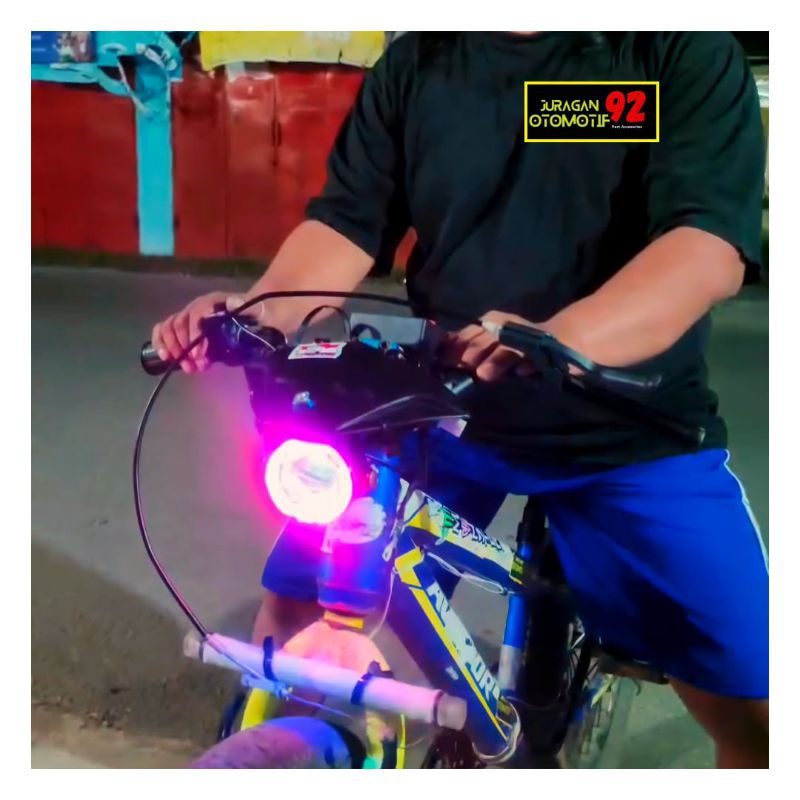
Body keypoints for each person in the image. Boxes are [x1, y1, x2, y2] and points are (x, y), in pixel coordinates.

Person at [152, 32, 767, 767]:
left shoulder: (676, 49)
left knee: (758, 714)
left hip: (626, 427)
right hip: (441, 406)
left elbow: (704, 244)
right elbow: (349, 219)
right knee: (295, 626)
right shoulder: (420, 59)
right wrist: (258, 315)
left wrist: (564, 336)